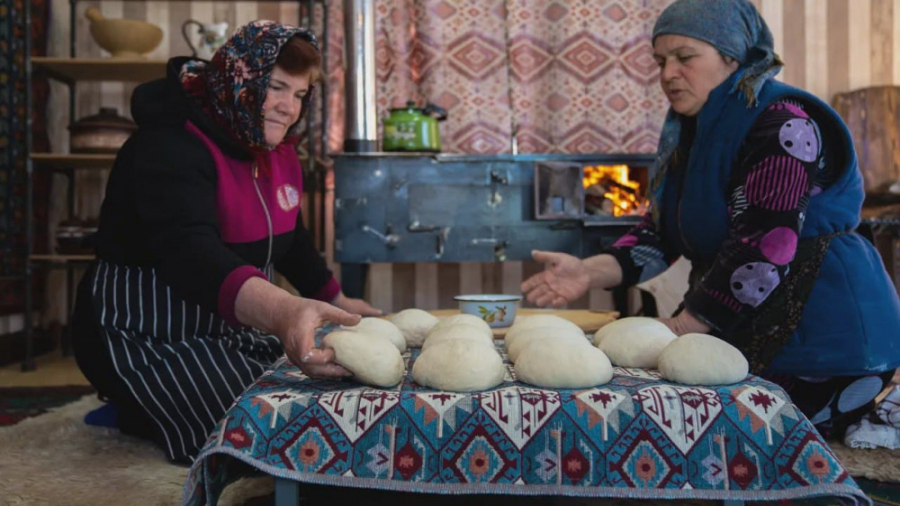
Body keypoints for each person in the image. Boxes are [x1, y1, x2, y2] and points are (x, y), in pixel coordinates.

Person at [521, 0, 900, 438]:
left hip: (824, 339)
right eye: (660, 61)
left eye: (685, 58)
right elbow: (661, 234)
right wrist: (587, 273)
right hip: (734, 323)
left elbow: (765, 243)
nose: (667, 74)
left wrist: (683, 328)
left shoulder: (781, 122)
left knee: (724, 440)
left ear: (733, 56)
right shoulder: (694, 132)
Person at [71, 21, 381, 464]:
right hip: (145, 331)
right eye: (275, 87)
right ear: (241, 80)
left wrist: (339, 299)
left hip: (227, 328)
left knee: (311, 391)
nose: (287, 108)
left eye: (298, 94)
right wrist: (283, 311)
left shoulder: (275, 150)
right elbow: (191, 254)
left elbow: (290, 237)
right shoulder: (169, 146)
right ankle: (135, 408)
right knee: (261, 424)